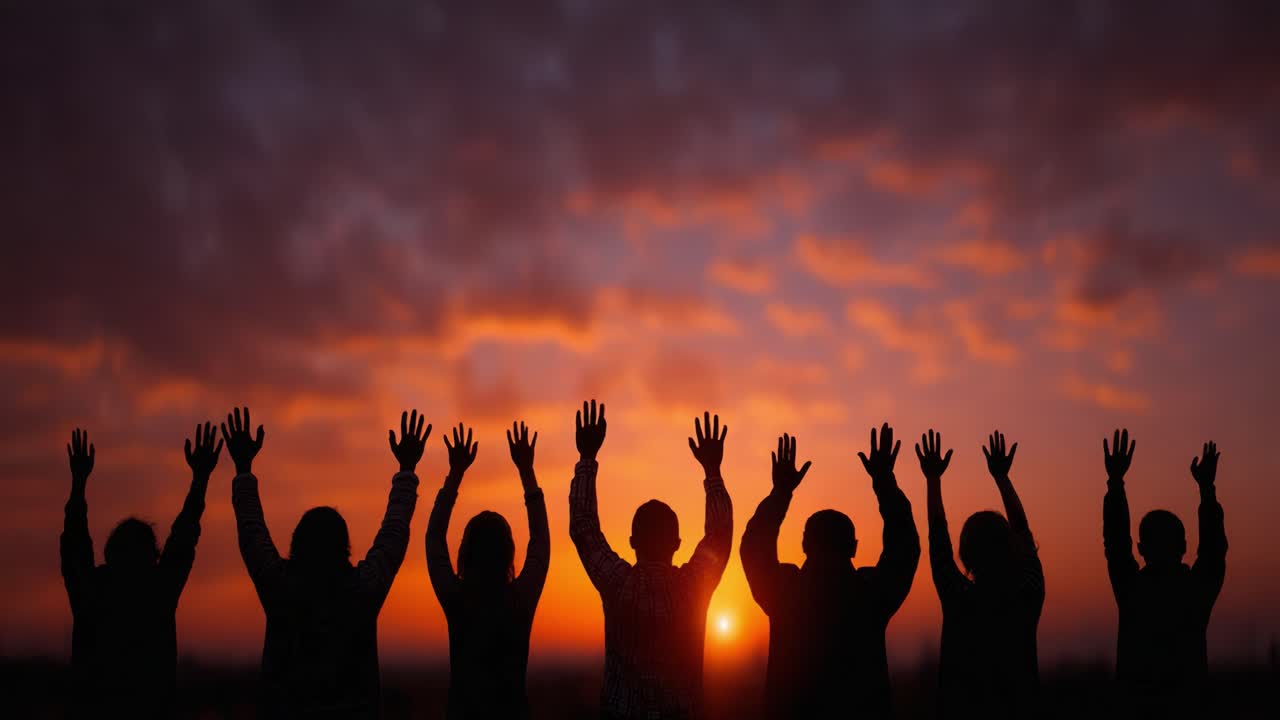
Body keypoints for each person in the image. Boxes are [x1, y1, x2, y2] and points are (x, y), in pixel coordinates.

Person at [228, 406, 424, 718]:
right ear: (344, 548)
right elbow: (393, 534)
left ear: (296, 545)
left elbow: (252, 532)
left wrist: (242, 469)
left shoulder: (280, 588)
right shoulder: (363, 590)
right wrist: (407, 469)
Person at [740, 425, 920, 718]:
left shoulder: (784, 593)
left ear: (804, 545)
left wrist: (781, 492)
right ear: (853, 547)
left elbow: (753, 547)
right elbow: (904, 548)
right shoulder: (871, 594)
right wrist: (884, 483)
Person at [568, 401, 733, 720]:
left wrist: (587, 458)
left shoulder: (618, 584)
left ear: (632, 542)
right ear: (677, 544)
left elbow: (583, 526)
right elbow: (720, 534)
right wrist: (712, 471)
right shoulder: (693, 587)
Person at [60, 423, 222, 718]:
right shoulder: (158, 590)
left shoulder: (92, 591)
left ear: (110, 554)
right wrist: (200, 479)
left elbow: (74, 545)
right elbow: (184, 538)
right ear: (153, 556)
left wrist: (79, 483)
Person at [426, 421, 550, 719]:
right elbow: (541, 540)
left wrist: (455, 475)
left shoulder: (457, 600)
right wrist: (526, 472)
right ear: (508, 554)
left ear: (465, 554)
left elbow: (433, 537)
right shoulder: (520, 601)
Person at [921, 430, 1044, 718]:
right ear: (1010, 548)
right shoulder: (1028, 592)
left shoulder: (956, 596)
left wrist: (933, 480)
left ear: (964, 554)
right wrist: (1002, 478)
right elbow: (1023, 531)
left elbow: (937, 536)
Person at [1103, 429, 1226, 715]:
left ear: (1141, 549)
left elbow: (1116, 544)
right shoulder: (1195, 591)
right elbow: (1213, 551)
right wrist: (1207, 491)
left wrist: (1116, 482)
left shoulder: (1132, 590)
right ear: (1183, 546)